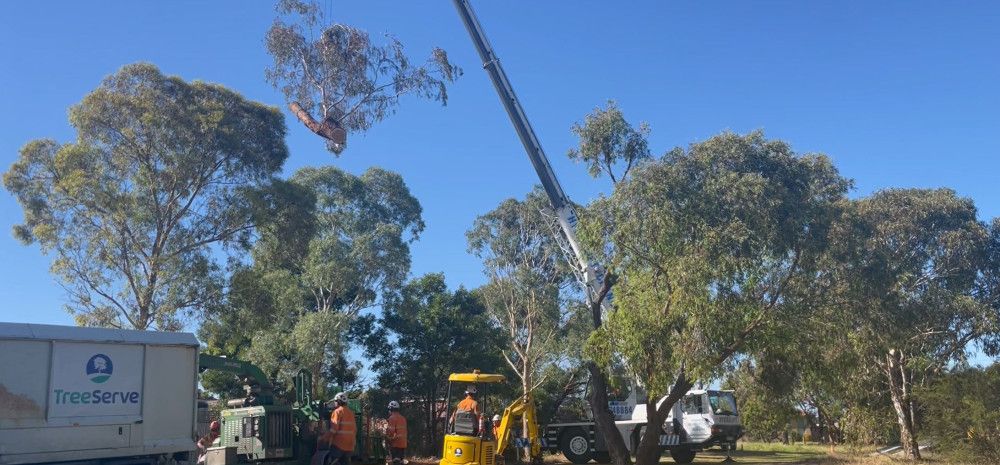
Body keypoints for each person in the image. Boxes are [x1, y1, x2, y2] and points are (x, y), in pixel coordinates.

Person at [325, 392, 356, 465]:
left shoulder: (337, 412)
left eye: (335, 401)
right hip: (350, 446)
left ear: (338, 401)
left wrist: (324, 438)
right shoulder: (351, 413)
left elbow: (333, 430)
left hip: (338, 445)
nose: (335, 403)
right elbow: (354, 430)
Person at [385, 400, 407, 465]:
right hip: (403, 443)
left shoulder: (392, 418)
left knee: (395, 461)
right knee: (400, 461)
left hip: (395, 443)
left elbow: (391, 432)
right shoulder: (403, 418)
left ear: (390, 409)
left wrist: (386, 437)